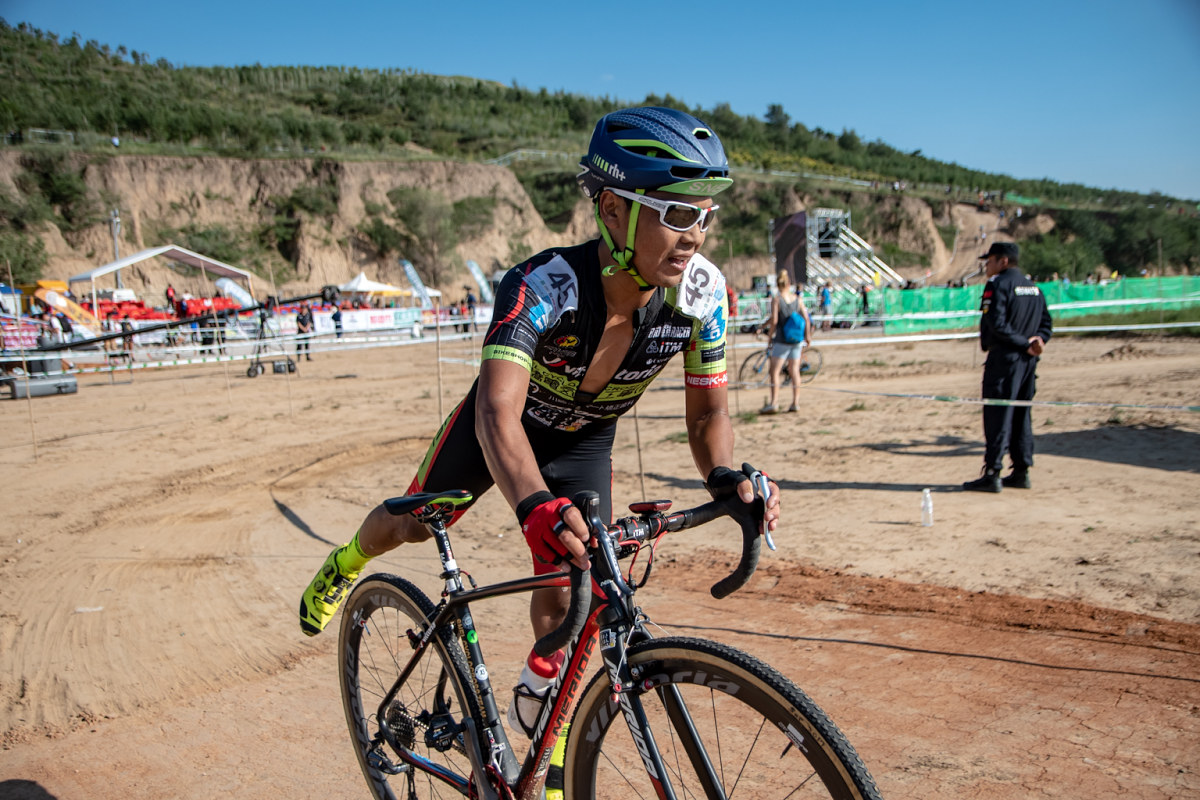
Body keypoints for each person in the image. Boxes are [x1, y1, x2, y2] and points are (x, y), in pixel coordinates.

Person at [298, 106, 781, 737]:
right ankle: (347, 560)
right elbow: (496, 412)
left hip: (584, 437)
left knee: (570, 583)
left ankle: (538, 688)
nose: (695, 236)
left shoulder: (702, 296)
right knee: (412, 525)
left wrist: (722, 476)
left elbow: (710, 410)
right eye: (678, 213)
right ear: (612, 210)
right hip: (504, 428)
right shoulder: (543, 286)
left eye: (705, 215)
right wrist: (533, 505)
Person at [963, 242, 1053, 493]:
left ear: (1003, 261)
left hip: (1004, 361)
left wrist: (1024, 343)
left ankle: (992, 472)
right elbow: (1046, 323)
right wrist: (1038, 341)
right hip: (1028, 363)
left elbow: (996, 323)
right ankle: (1021, 470)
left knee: (997, 416)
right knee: (1022, 415)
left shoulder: (997, 285)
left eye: (989, 260)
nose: (986, 266)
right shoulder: (1034, 288)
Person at [760, 270, 811, 414]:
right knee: (794, 371)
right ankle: (795, 402)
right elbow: (806, 319)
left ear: (777, 284)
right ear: (789, 284)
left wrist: (770, 337)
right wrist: (807, 336)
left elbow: (775, 321)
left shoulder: (777, 300)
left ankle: (774, 402)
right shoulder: (797, 299)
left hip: (782, 340)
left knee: (774, 371)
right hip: (796, 340)